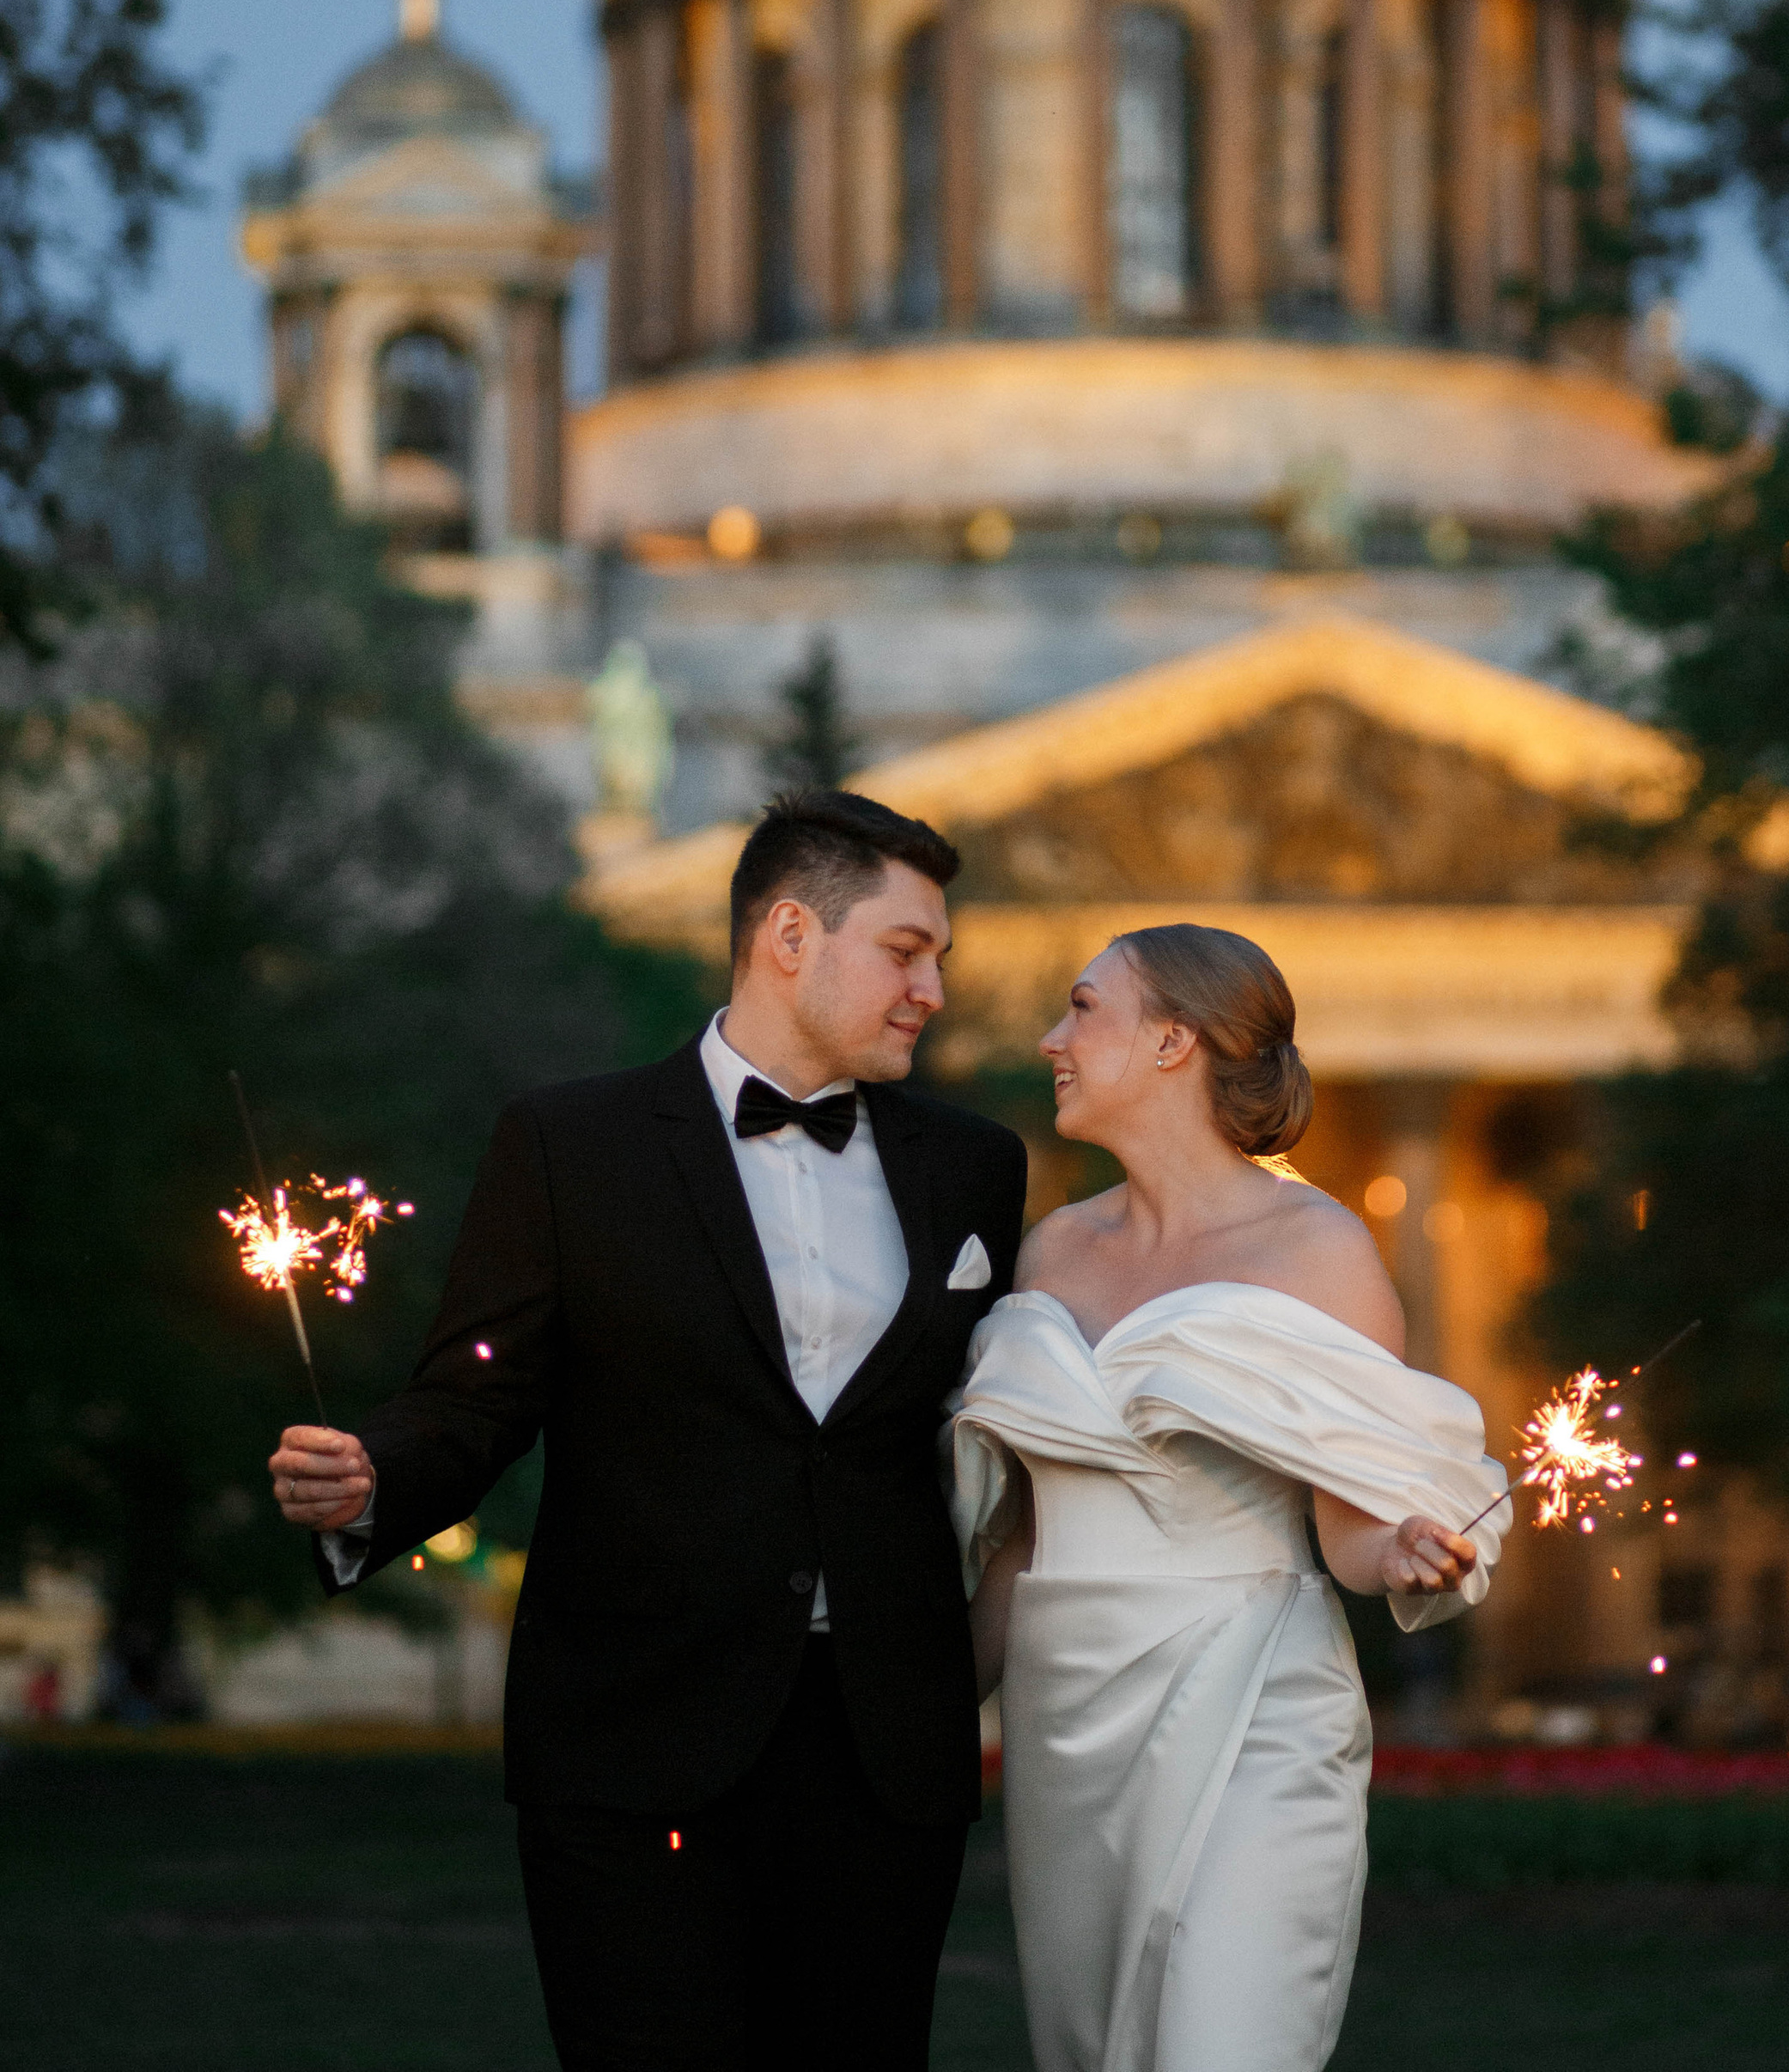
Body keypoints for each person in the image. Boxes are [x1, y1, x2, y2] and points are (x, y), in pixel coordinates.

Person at [267, 786, 1027, 2072]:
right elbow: (479, 1392)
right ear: (791, 936)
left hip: (882, 1760)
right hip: (634, 1747)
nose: (933, 990)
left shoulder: (975, 1167)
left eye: (939, 957)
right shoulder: (571, 1145)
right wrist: (371, 1483)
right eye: (908, 951)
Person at [948, 921, 1509, 2072]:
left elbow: (1350, 1523)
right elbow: (1022, 1537)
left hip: (1253, 1698)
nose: (1053, 1038)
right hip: (1068, 1730)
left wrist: (1401, 1544)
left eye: (1082, 1008)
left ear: (1171, 1041)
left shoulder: (1317, 1249)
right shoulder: (1051, 1250)